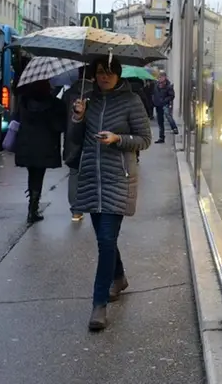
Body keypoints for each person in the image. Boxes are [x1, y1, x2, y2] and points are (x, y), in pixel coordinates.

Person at [70, 57, 152, 331]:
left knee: (106, 240)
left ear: (117, 75)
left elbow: (145, 139)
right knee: (105, 239)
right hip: (92, 177)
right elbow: (74, 139)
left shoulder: (131, 101)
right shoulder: (88, 100)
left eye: (107, 72)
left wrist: (118, 140)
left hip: (118, 178)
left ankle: (99, 304)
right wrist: (78, 117)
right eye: (99, 72)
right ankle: (119, 277)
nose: (103, 77)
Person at [14, 79, 67, 224]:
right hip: (45, 146)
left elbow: (17, 119)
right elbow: (60, 126)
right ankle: (33, 208)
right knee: (38, 174)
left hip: (26, 144)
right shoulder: (55, 104)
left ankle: (32, 204)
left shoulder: (24, 102)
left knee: (32, 174)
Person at [62, 69, 94, 222]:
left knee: (74, 173)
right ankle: (93, 206)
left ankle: (76, 210)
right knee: (91, 174)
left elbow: (61, 118)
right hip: (90, 138)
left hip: (71, 139)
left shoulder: (68, 94)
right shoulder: (95, 94)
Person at [151, 70, 178, 143]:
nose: (160, 78)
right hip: (158, 105)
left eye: (162, 77)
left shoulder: (168, 86)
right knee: (160, 121)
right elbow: (153, 94)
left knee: (168, 115)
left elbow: (171, 96)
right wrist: (154, 101)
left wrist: (165, 100)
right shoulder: (156, 85)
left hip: (165, 104)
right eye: (159, 77)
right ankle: (161, 137)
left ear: (165, 77)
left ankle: (174, 128)